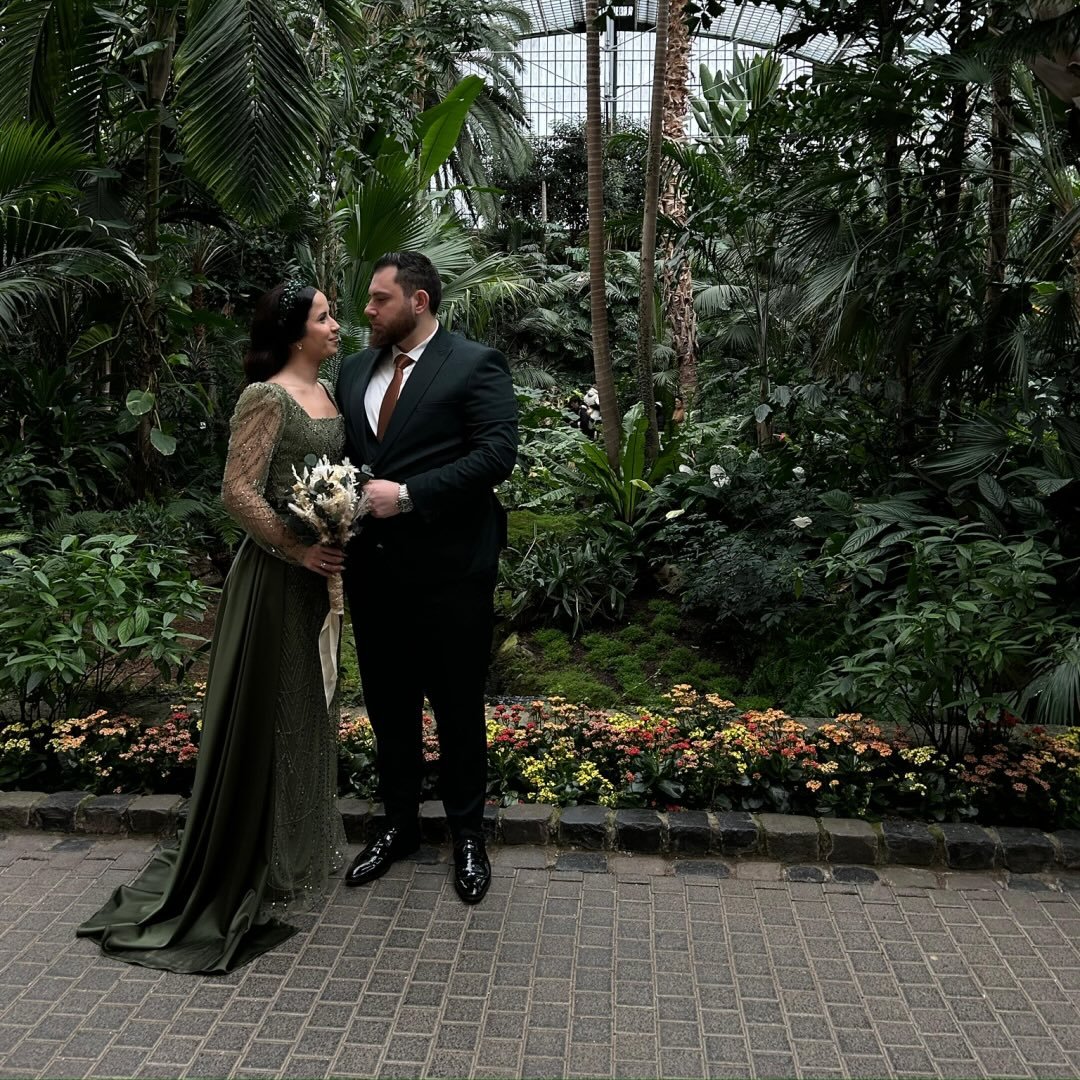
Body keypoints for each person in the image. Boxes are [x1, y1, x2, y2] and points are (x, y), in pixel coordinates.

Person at [77, 282, 348, 973]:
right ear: (295, 332)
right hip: (273, 582)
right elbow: (237, 490)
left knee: (308, 707)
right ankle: (249, 859)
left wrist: (336, 528)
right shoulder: (267, 396)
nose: (336, 326)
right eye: (324, 317)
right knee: (269, 714)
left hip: (315, 585)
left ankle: (290, 854)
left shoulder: (328, 391)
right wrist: (295, 546)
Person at [336, 252, 518, 905]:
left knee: (457, 706)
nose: (367, 310)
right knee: (388, 707)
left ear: (419, 301)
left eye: (379, 298)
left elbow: (497, 454)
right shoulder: (354, 369)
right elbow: (349, 458)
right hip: (373, 573)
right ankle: (399, 827)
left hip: (452, 572)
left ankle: (468, 835)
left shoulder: (474, 363)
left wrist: (409, 495)